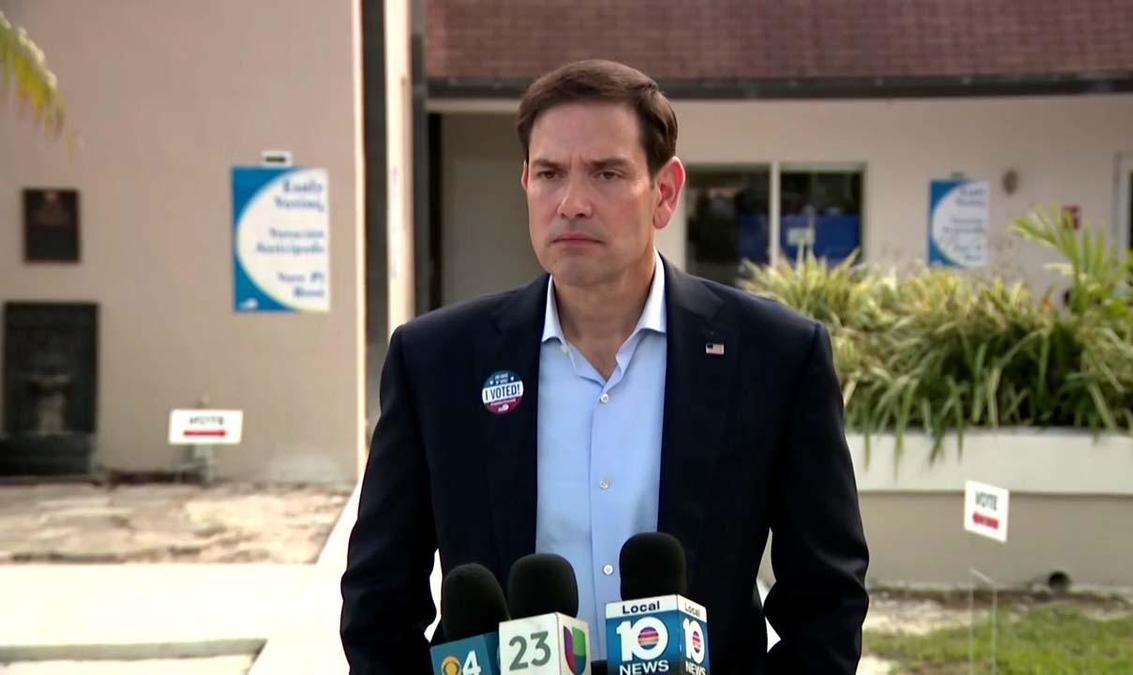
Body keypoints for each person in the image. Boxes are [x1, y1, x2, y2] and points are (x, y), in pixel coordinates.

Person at [340, 59, 869, 674]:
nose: (572, 202)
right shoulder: (436, 362)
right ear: (527, 185)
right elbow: (378, 600)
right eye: (549, 174)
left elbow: (827, 599)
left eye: (607, 173)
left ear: (665, 193)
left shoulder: (775, 356)